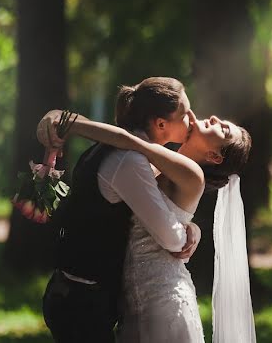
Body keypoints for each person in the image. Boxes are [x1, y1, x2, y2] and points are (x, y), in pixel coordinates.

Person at [39, 100, 255, 342]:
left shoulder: (192, 174)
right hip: (132, 294)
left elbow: (127, 140)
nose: (215, 118)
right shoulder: (158, 163)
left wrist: (71, 123)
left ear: (215, 156)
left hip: (162, 297)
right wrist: (191, 228)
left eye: (223, 130)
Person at [40, 77, 201, 343]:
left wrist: (192, 227)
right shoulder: (130, 161)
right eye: (185, 114)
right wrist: (187, 235)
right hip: (82, 302)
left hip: (77, 295)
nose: (193, 120)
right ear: (161, 124)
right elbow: (170, 238)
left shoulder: (117, 152)